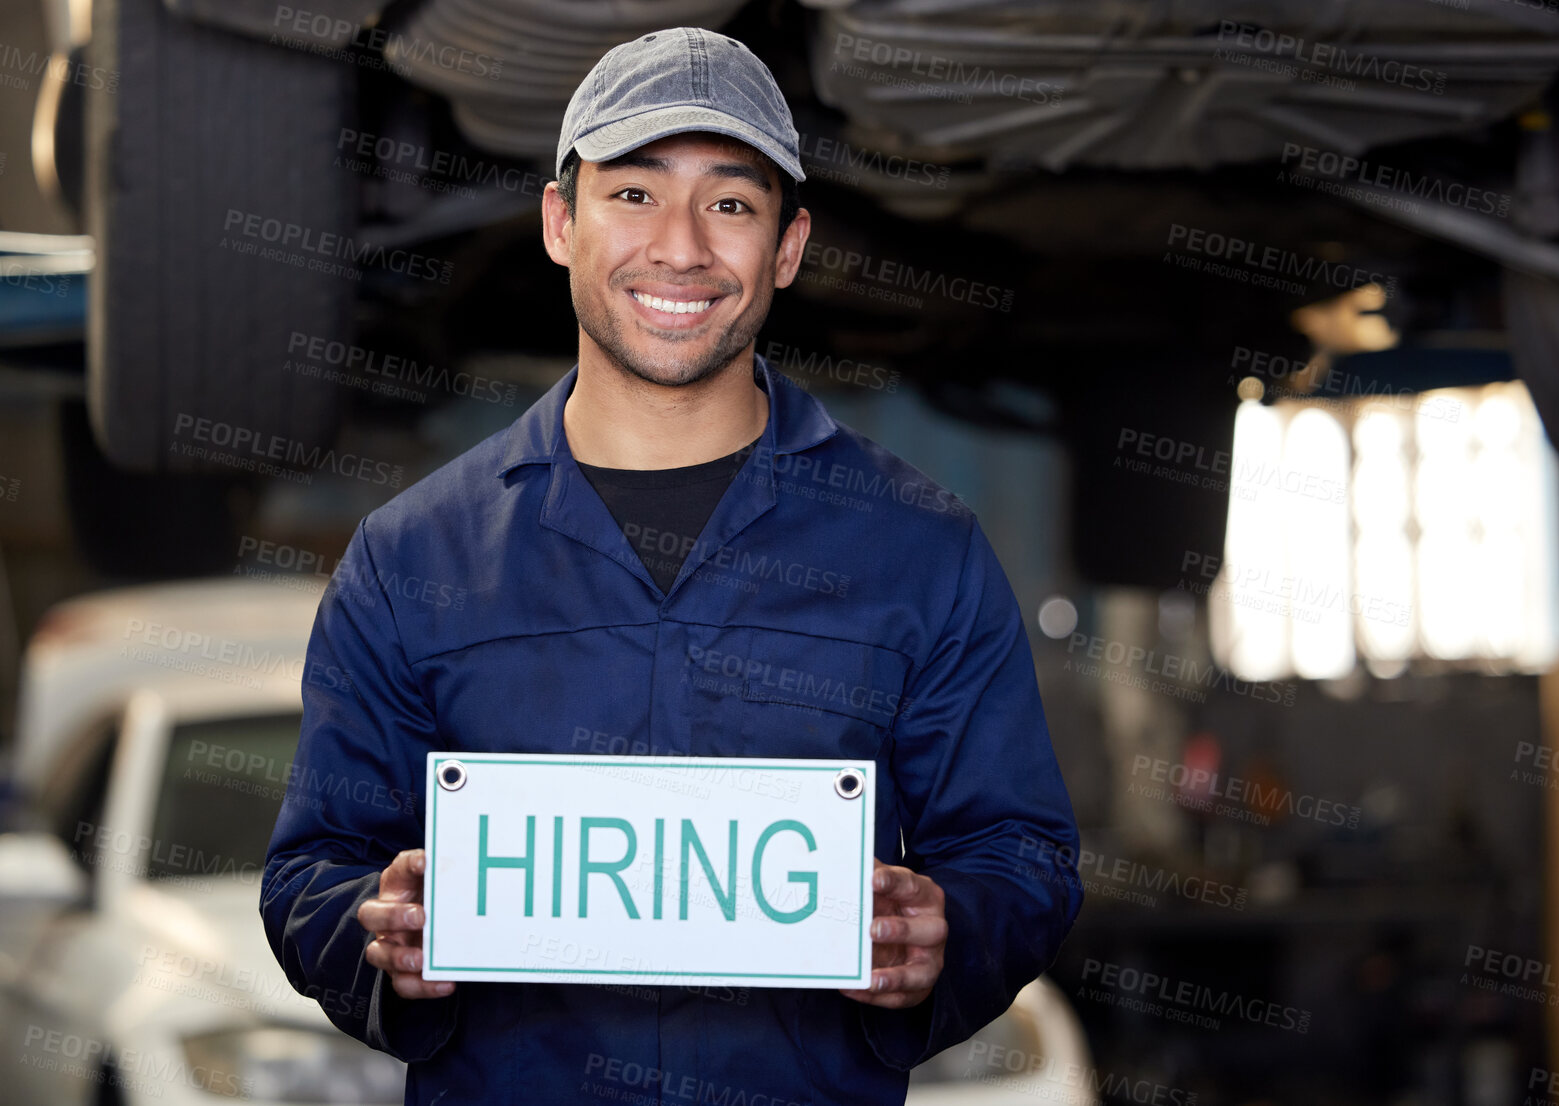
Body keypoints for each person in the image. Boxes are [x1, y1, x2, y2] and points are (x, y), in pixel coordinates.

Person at [260, 25, 1083, 1106]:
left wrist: (949, 931)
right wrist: (373, 929)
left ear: (786, 249)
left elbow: (1019, 850)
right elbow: (308, 870)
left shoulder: (918, 552)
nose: (682, 248)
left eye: (730, 204)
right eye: (634, 194)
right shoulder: (413, 557)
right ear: (561, 223)